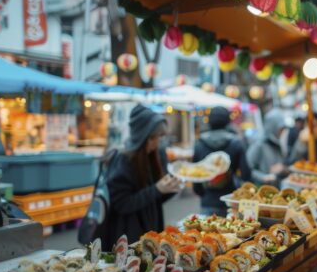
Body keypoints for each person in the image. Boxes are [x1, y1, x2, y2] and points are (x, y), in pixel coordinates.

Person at [105, 104, 181, 249]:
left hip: (150, 233)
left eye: (159, 136)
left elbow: (154, 199)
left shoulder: (151, 155)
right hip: (129, 238)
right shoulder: (124, 160)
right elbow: (122, 203)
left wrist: (171, 188)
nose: (157, 141)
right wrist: (157, 189)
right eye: (152, 137)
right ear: (142, 136)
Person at [192, 106, 251, 216]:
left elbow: (195, 176)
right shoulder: (236, 143)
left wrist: (202, 192)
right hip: (231, 200)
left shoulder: (199, 144)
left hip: (208, 200)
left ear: (209, 121)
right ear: (228, 122)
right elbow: (246, 175)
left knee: (207, 226)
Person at [246, 109, 289, 186]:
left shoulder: (277, 144)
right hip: (260, 189)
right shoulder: (259, 144)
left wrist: (282, 168)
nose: (282, 133)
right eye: (280, 129)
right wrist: (263, 177)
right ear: (273, 127)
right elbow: (247, 169)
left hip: (275, 188)